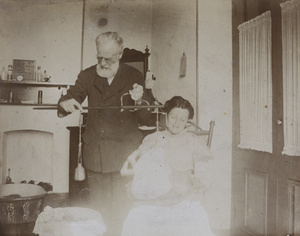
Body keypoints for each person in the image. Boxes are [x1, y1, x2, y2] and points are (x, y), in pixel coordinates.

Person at [57, 31, 153, 235]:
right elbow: (69, 98)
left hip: (125, 156)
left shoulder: (134, 76)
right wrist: (65, 103)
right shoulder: (87, 75)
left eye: (108, 58)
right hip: (96, 156)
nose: (102, 62)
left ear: (120, 54)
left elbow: (147, 118)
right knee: (99, 211)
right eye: (99, 57)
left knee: (124, 209)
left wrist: (139, 100)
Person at [121, 96, 215, 236]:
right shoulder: (153, 139)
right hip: (153, 198)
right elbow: (140, 172)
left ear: (187, 121)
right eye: (173, 117)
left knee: (192, 219)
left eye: (183, 119)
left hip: (183, 197)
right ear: (166, 115)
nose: (177, 123)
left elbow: (203, 178)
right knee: (136, 217)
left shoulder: (194, 142)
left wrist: (183, 195)